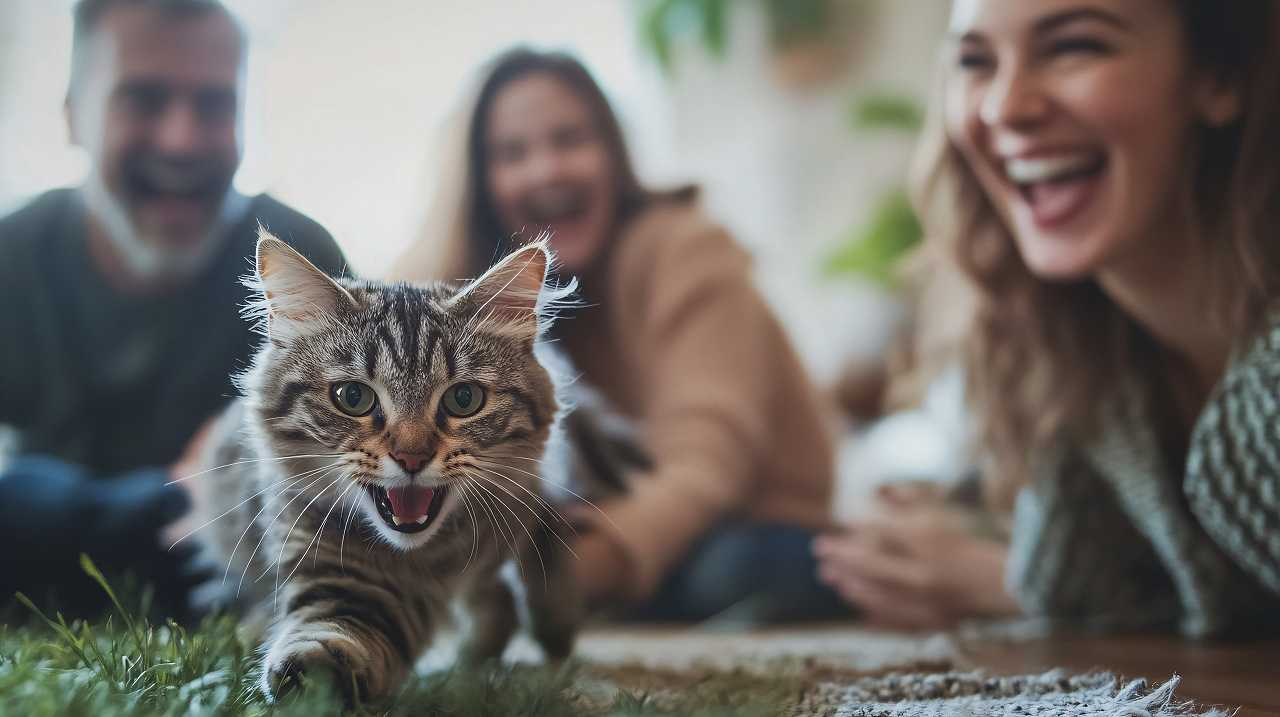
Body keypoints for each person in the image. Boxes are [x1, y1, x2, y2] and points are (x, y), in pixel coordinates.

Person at [816, 0, 1280, 636]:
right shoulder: (1083, 354)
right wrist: (1011, 576)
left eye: (1074, 47)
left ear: (1220, 76)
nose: (1005, 107)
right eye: (975, 62)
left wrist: (1006, 580)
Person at [393, 48, 841, 622]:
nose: (546, 169)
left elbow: (709, 467)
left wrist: (564, 575)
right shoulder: (459, 290)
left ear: (612, 152)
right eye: (512, 152)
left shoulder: (683, 248)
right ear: (480, 183)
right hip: (597, 529)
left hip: (744, 519)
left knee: (729, 571)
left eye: (570, 139)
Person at [0, 0, 345, 615]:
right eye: (144, 99)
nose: (181, 139)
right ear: (73, 115)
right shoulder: (12, 255)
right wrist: (173, 503)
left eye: (214, 105)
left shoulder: (302, 263)